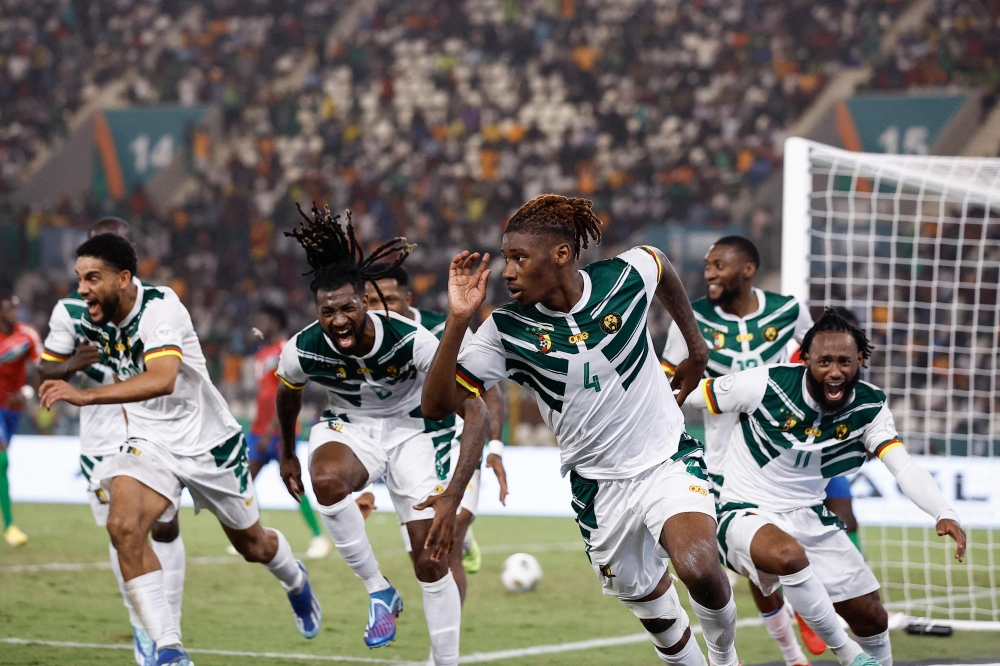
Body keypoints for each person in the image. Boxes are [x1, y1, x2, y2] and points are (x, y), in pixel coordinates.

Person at [421, 194, 740, 666]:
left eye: (518, 258)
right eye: (506, 259)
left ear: (562, 255)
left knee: (700, 568)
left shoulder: (623, 277)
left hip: (664, 461)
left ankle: (726, 657)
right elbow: (436, 406)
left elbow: (662, 265)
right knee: (658, 616)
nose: (507, 272)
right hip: (598, 490)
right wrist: (457, 321)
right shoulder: (506, 331)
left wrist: (696, 349)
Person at [39, 233, 321, 666]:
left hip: (209, 444)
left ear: (124, 278)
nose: (82, 289)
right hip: (150, 442)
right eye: (79, 279)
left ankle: (294, 579)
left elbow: (163, 378)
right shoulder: (100, 315)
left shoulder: (160, 307)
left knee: (253, 545)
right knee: (123, 526)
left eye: (92, 278)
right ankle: (168, 648)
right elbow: (52, 362)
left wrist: (86, 397)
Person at [686, 309, 967, 666]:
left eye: (845, 362)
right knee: (788, 556)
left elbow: (903, 465)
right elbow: (689, 393)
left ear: (861, 359)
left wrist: (944, 511)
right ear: (804, 359)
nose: (835, 372)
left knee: (872, 615)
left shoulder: (870, 406)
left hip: (811, 516)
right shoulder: (763, 383)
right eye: (825, 362)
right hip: (743, 511)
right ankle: (848, 655)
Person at [274, 205, 491, 665]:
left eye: (347, 308)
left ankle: (445, 662)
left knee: (431, 561)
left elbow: (477, 412)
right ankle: (378, 590)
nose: (337, 320)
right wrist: (287, 453)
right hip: (350, 427)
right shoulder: (302, 348)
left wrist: (454, 493)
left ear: (365, 301)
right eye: (326, 310)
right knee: (327, 482)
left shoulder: (413, 341)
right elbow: (287, 395)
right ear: (316, 311)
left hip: (413, 432)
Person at [38, 217, 187, 666]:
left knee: (165, 525)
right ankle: (144, 627)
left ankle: (168, 630)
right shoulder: (70, 311)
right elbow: (45, 370)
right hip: (102, 435)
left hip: (157, 430)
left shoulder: (157, 305)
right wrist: (69, 366)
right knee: (123, 531)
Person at [661, 235, 814, 665]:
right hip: (726, 462)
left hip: (791, 455)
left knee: (822, 530)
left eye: (718, 265)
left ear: (747, 270)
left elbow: (822, 359)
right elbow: (668, 383)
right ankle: (793, 653)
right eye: (706, 265)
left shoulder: (788, 311)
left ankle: (814, 607)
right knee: (760, 568)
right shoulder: (690, 319)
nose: (707, 273)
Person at [364, 265, 510, 587]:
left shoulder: (443, 328)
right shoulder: (362, 343)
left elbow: (488, 390)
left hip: (455, 441)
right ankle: (465, 543)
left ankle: (450, 635)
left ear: (408, 298)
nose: (381, 309)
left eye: (389, 299)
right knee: (426, 556)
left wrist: (495, 448)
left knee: (450, 539)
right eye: (372, 302)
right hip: (408, 452)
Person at [246, 304, 331, 559]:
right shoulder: (262, 353)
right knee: (245, 484)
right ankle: (254, 536)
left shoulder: (285, 349)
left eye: (264, 319)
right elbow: (264, 393)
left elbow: (289, 392)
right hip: (257, 430)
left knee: (293, 482)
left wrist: (273, 429)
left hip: (279, 430)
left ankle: (319, 537)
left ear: (276, 322)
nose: (259, 323)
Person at [0, 287, 41, 548]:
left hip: (12, 409)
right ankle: (10, 526)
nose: (13, 312)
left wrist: (27, 393)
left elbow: (43, 368)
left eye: (15, 307)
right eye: (8, 308)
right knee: (2, 458)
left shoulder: (27, 336)